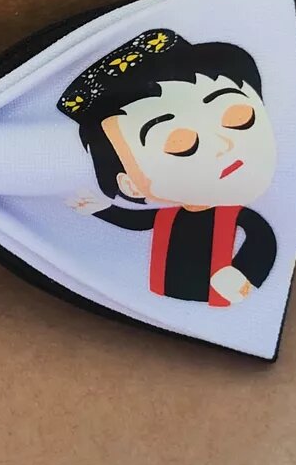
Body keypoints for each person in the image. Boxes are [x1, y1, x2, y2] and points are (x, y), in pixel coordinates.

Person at [58, 29, 277, 306]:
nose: (223, 146)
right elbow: (134, 221)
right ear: (130, 184)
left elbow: (262, 241)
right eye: (180, 145)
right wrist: (101, 209)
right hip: (167, 291)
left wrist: (244, 275)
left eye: (239, 118)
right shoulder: (167, 215)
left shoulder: (236, 215)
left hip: (218, 293)